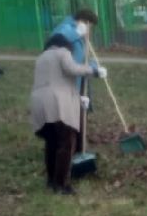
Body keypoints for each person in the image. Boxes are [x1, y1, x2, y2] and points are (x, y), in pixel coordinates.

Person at [30, 25, 107, 194]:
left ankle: (51, 181)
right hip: (57, 105)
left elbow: (57, 81)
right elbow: (72, 69)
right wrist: (93, 71)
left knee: (51, 143)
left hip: (39, 105)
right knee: (67, 143)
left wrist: (79, 99)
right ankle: (62, 184)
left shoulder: (41, 57)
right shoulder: (62, 53)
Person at [47, 9, 102, 155]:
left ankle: (79, 148)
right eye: (90, 26)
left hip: (78, 82)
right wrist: (77, 32)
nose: (90, 30)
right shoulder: (66, 29)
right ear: (83, 21)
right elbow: (57, 40)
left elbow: (82, 58)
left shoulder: (81, 34)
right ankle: (64, 152)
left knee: (79, 116)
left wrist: (96, 69)